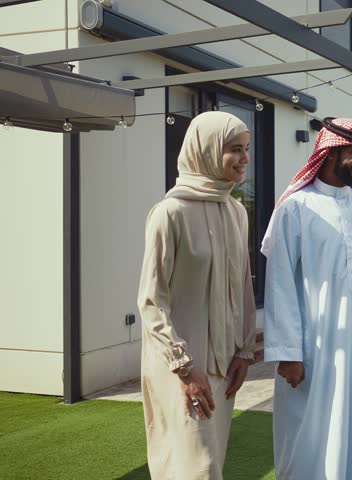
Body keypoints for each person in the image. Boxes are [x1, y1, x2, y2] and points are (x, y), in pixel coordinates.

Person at [260, 117, 352, 480]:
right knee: (307, 435)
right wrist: (288, 352)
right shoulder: (296, 208)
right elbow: (279, 284)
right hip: (313, 349)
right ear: (329, 153)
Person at [137, 111, 256, 479]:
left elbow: (244, 287)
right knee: (195, 468)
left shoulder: (236, 212)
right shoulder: (169, 213)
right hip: (180, 369)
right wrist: (185, 367)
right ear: (205, 150)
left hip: (222, 368)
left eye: (247, 149)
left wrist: (244, 351)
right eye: (235, 149)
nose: (245, 159)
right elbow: (152, 300)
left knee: (209, 464)